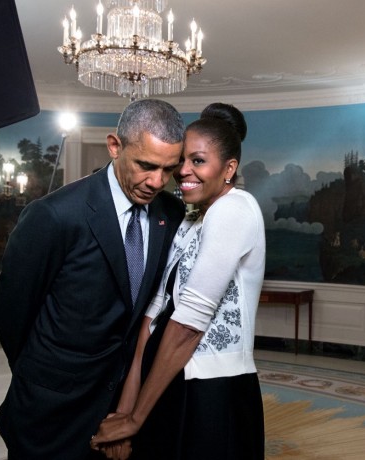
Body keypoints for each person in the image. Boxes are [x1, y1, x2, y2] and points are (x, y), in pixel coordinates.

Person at [0, 99, 187, 460]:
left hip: (122, 411)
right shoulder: (54, 215)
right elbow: (12, 314)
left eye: (168, 169)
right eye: (146, 165)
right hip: (50, 413)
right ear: (115, 146)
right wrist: (46, 377)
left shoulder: (171, 214)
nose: (157, 181)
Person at [91, 102, 266, 460]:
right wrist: (127, 408)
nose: (183, 170)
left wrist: (135, 418)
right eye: (182, 160)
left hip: (212, 391)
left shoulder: (235, 208)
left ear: (229, 168)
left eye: (198, 161)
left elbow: (189, 324)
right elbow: (152, 316)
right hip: (166, 378)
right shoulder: (190, 220)